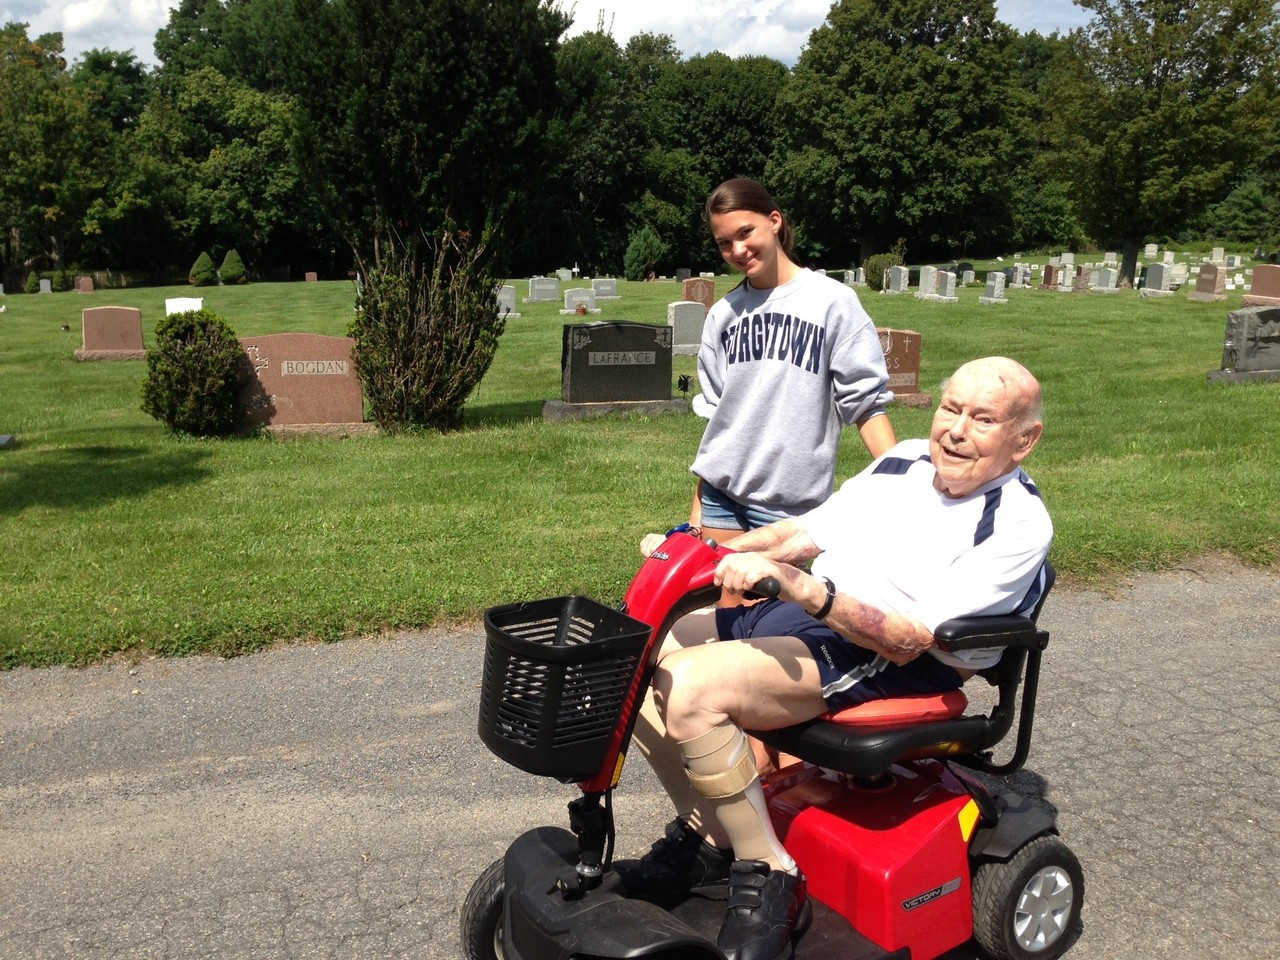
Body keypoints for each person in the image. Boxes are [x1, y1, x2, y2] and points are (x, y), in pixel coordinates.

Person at [618, 356, 1052, 960]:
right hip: (820, 615)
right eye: (951, 408)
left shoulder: (1016, 523)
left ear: (1023, 440)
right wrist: (702, 556)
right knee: (636, 652)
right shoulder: (904, 458)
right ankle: (709, 840)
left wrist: (799, 587)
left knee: (692, 689)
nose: (955, 429)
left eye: (982, 419)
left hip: (893, 656)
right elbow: (804, 534)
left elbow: (909, 639)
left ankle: (771, 873)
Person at [688, 178, 897, 546]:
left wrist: (902, 478)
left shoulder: (833, 303)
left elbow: (865, 404)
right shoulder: (723, 315)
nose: (738, 249)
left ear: (774, 220)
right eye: (724, 243)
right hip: (721, 497)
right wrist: (698, 509)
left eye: (745, 232)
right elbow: (719, 422)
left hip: (789, 504)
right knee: (726, 602)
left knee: (779, 604)